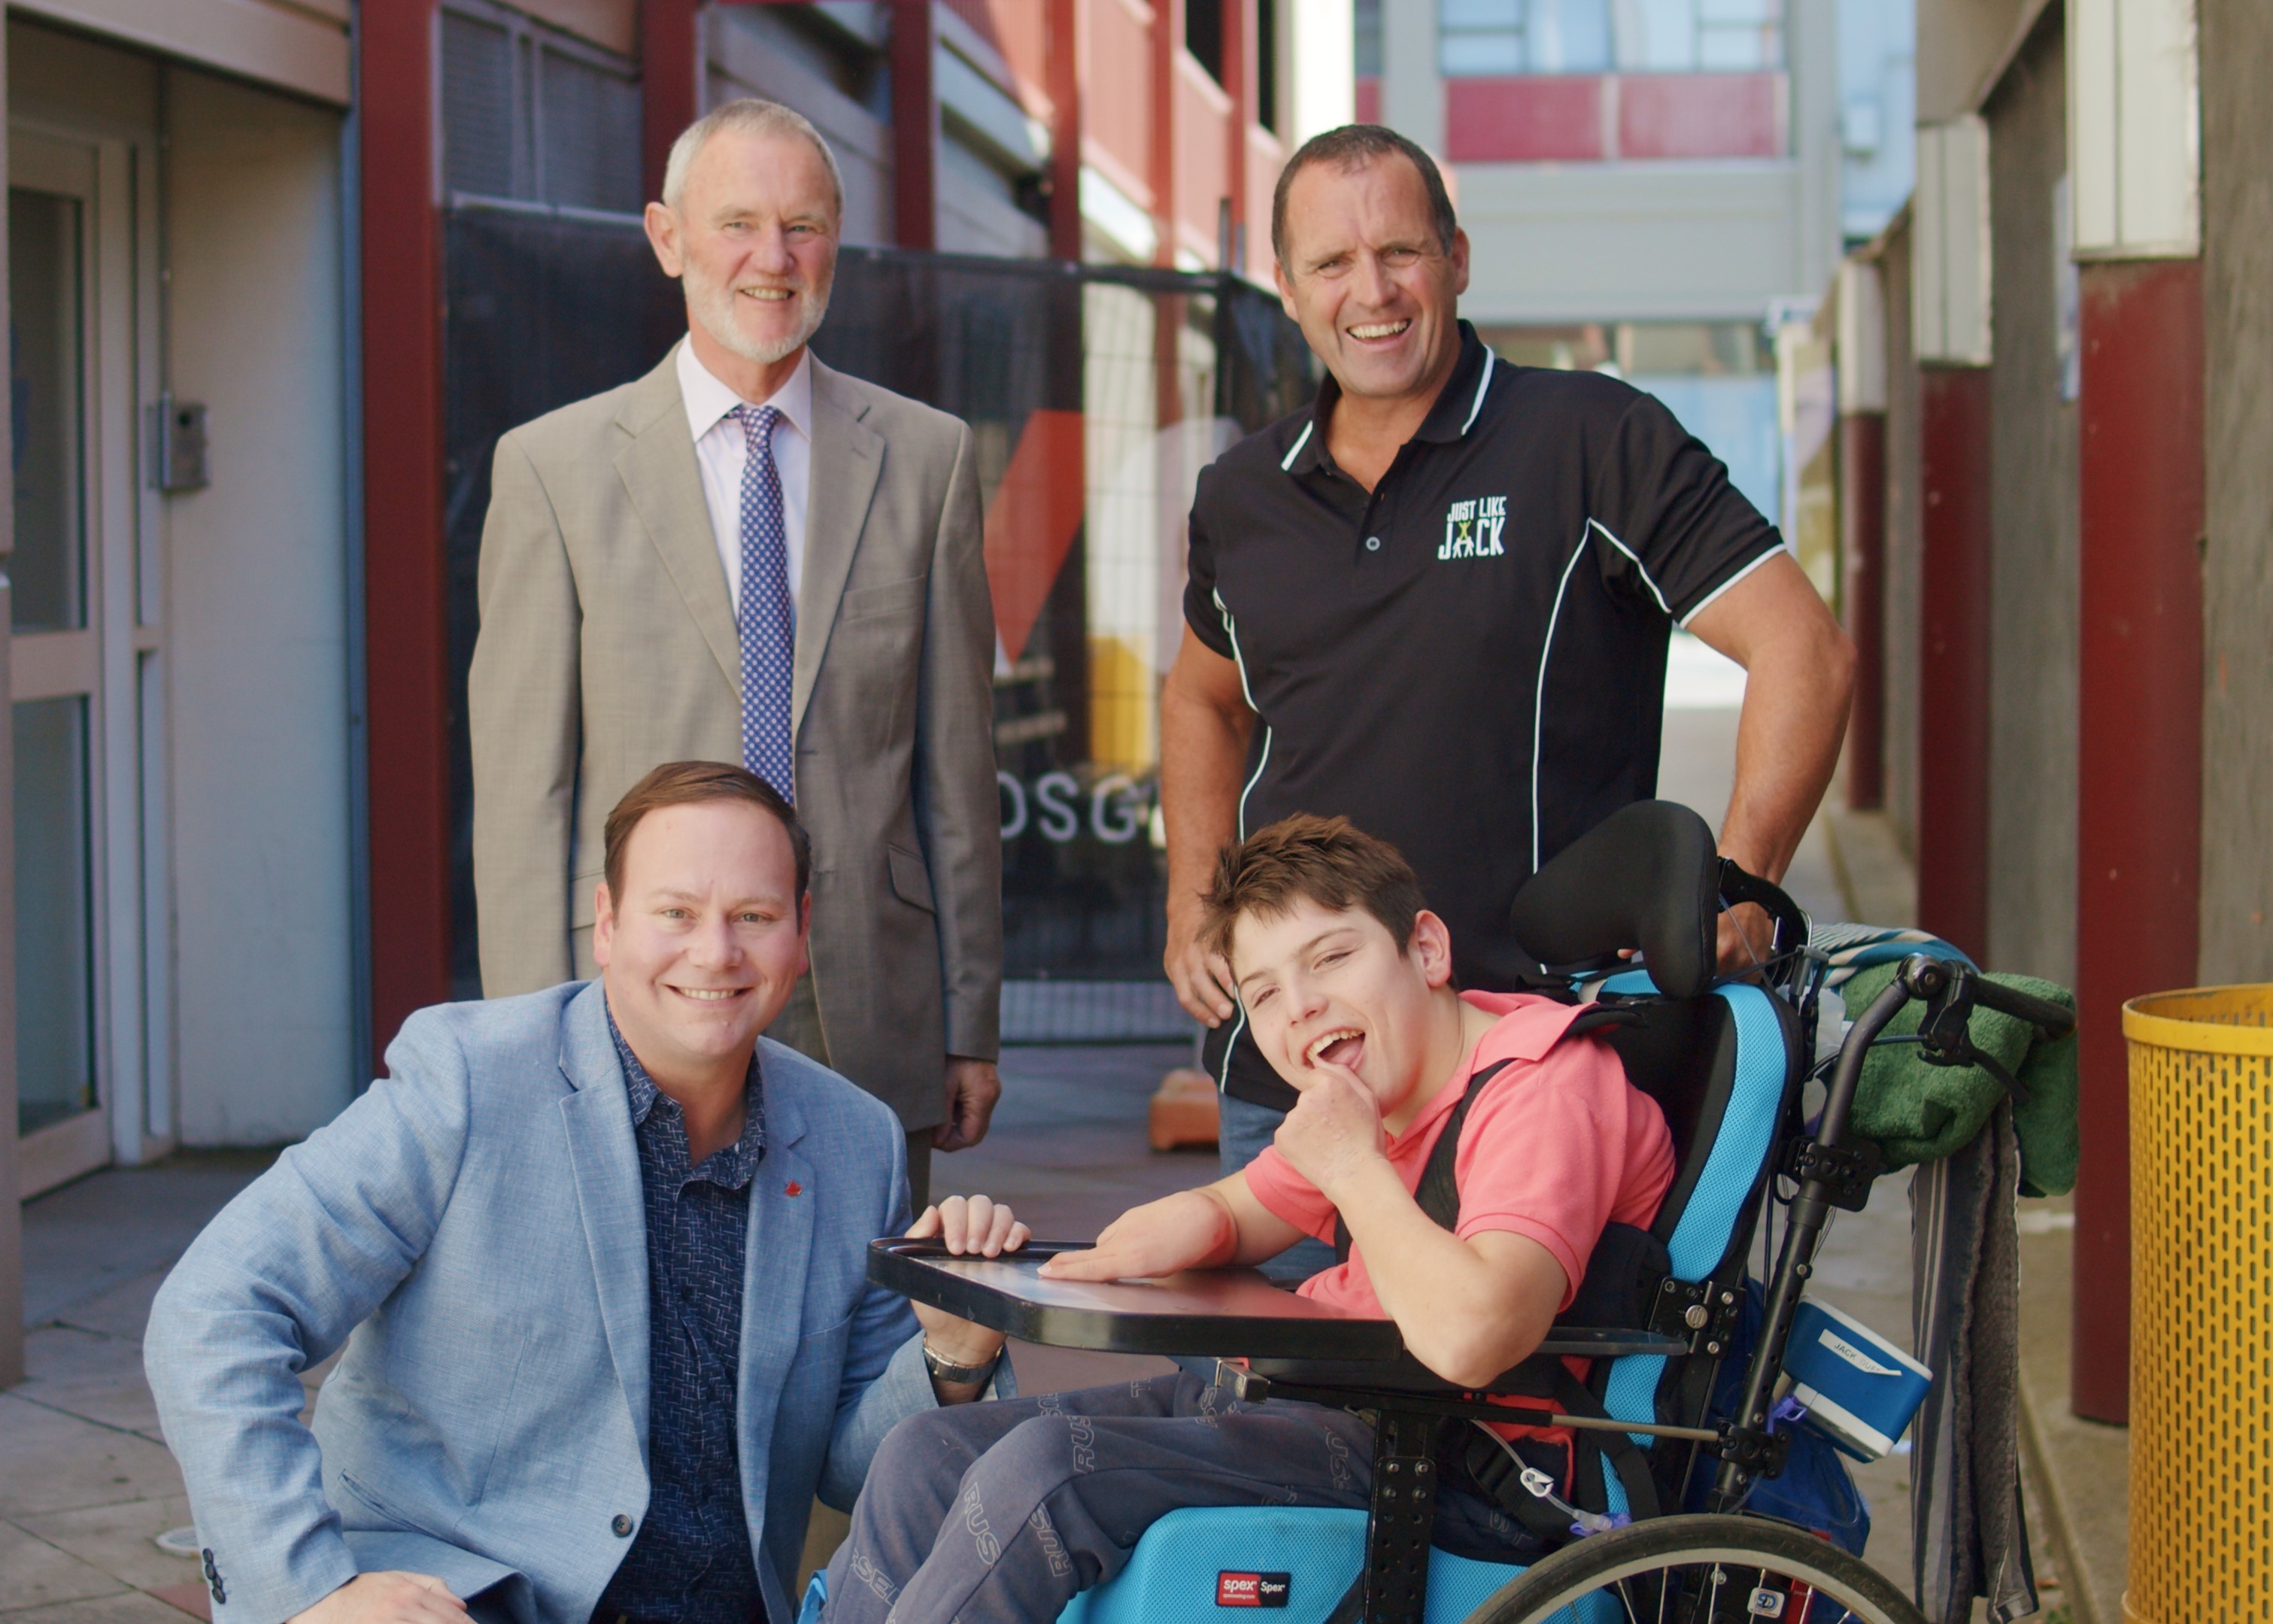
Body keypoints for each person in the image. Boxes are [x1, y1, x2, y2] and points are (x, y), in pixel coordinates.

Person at [1159, 125, 1855, 1239]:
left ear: (1457, 257)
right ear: (1286, 288)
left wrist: (1742, 879)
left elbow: (1801, 648)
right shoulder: (1241, 494)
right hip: (1291, 1081)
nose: (1371, 292)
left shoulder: (1591, 438)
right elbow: (1201, 696)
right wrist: (1193, 891)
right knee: (1270, 1408)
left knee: (1501, 1411)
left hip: (1523, 1079)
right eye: (1331, 265)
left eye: (1400, 252)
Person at [145, 762, 1031, 1624]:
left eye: (752, 915)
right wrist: (306, 1587)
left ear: (800, 931)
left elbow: (850, 1468)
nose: (715, 950)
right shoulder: (467, 1081)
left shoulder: (854, 1138)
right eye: (675, 911)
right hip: (455, 1597)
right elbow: (215, 1310)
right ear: (606, 923)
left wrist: (950, 1355)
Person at [814, 814, 1675, 1624]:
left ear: (1426, 947)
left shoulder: (1544, 1089)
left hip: (1452, 1452)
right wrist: (1119, 1249)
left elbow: (1476, 1334)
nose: (1297, 1005)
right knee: (927, 1452)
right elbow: (1243, 1208)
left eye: (1330, 957)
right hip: (1314, 1396)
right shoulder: (1384, 1082)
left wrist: (1352, 1164)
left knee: (1043, 1476)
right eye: (1263, 992)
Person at [469, 99, 1001, 1209]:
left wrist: (969, 1021)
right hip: (638, 989)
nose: (773, 259)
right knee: (656, 1335)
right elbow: (523, 794)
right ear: (667, 238)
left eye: (803, 226)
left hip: (864, 990)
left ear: (836, 243)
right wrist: (525, 1047)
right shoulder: (553, 469)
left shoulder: (926, 459)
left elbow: (956, 774)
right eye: (738, 224)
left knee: (865, 1338)